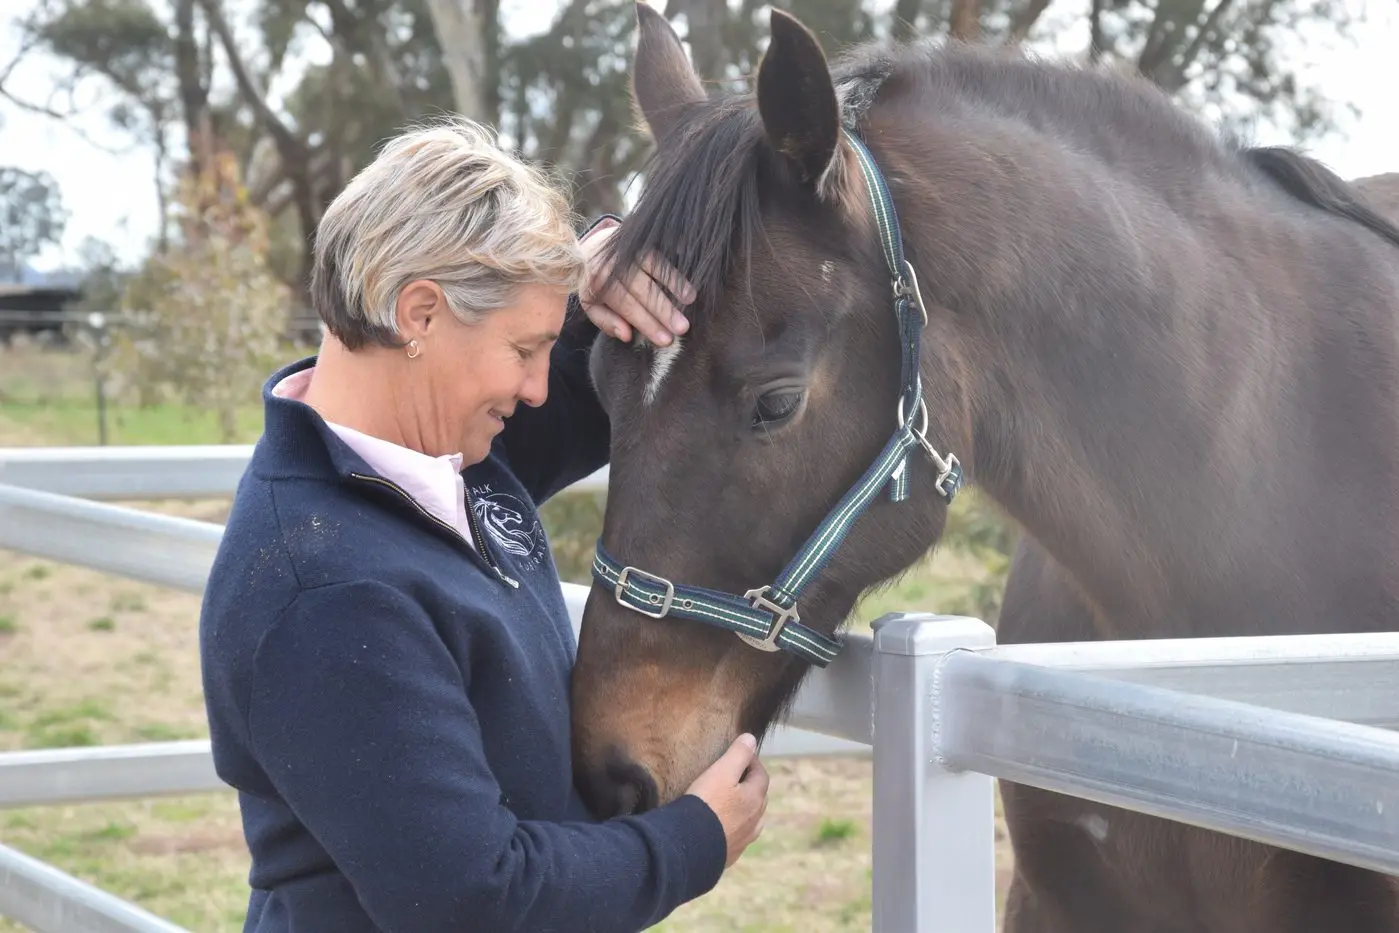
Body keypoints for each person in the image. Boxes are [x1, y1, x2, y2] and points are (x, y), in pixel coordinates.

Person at [198, 118, 769, 933]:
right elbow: (475, 900)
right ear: (420, 316)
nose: (539, 387)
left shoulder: (440, 458)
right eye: (523, 349)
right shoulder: (327, 590)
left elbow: (609, 372)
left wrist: (615, 256)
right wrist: (689, 842)